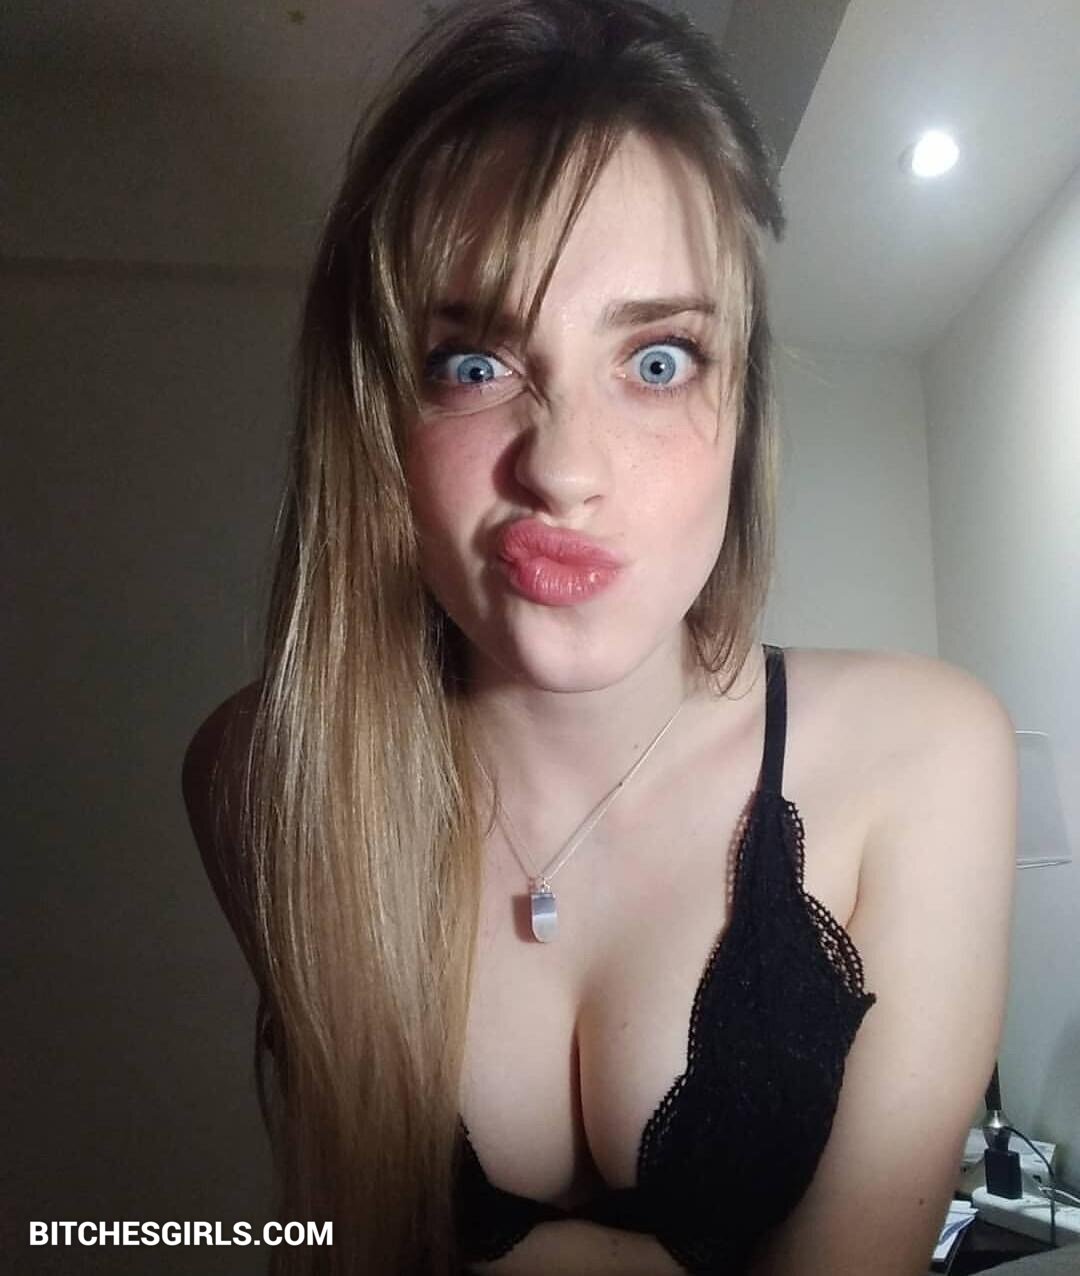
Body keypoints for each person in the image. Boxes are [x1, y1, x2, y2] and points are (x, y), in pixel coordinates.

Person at [181, 2, 1018, 1273]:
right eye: (473, 364)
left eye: (659, 360)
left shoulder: (926, 756)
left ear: (743, 414)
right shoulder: (261, 779)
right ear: (375, 417)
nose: (564, 469)